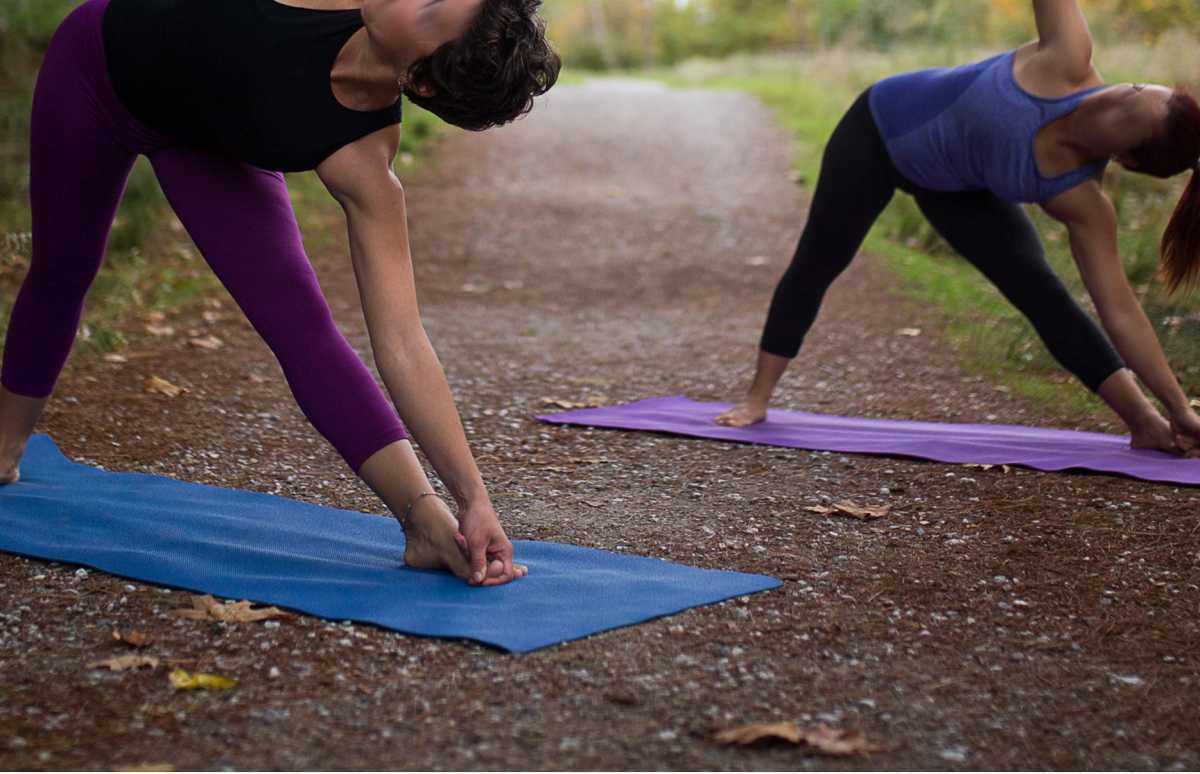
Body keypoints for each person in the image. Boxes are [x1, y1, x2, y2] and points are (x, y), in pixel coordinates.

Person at [0, 0, 561, 586]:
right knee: (63, 270)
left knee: (304, 330)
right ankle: (6, 447)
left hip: (201, 144)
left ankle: (423, 522)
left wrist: (473, 497)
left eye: (426, 9)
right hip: (94, 69)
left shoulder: (363, 159)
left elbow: (403, 341)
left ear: (418, 77)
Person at [717, 0, 1200, 457]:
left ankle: (1144, 422)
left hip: (953, 185)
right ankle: (758, 398)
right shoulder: (1068, 55)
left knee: (1039, 289)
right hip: (878, 131)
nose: (1116, 95)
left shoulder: (1081, 200)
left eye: (1127, 114)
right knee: (821, 259)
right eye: (1137, 87)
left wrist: (1179, 407)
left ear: (1126, 157)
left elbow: (1121, 313)